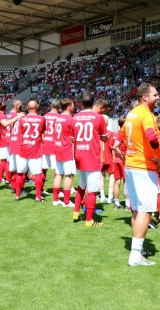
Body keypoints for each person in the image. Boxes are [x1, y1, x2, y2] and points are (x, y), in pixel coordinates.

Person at [123, 83, 160, 266]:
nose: (158, 97)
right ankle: (135, 256)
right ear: (145, 97)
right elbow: (152, 137)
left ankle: (137, 251)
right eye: (155, 94)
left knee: (138, 210)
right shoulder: (146, 115)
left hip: (131, 165)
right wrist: (158, 157)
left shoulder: (132, 114)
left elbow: (122, 136)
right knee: (146, 211)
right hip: (143, 167)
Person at [72, 92, 109, 228]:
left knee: (81, 186)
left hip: (79, 154)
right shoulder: (98, 118)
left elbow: (72, 138)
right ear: (92, 103)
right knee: (92, 190)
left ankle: (76, 212)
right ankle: (89, 220)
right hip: (91, 156)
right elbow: (104, 138)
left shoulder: (74, 117)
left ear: (80, 104)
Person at [14, 100, 46, 201]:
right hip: (35, 149)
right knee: (37, 173)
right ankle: (38, 196)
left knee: (20, 173)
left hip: (23, 148)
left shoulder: (22, 119)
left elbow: (22, 131)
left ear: (27, 108)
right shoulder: (42, 119)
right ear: (37, 108)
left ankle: (17, 195)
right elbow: (42, 132)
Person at [52, 98, 76, 207]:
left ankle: (55, 199)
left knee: (59, 174)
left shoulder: (57, 118)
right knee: (69, 175)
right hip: (67, 149)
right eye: (73, 105)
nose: (74, 107)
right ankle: (66, 201)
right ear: (69, 106)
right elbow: (73, 137)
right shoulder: (70, 119)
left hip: (57, 147)